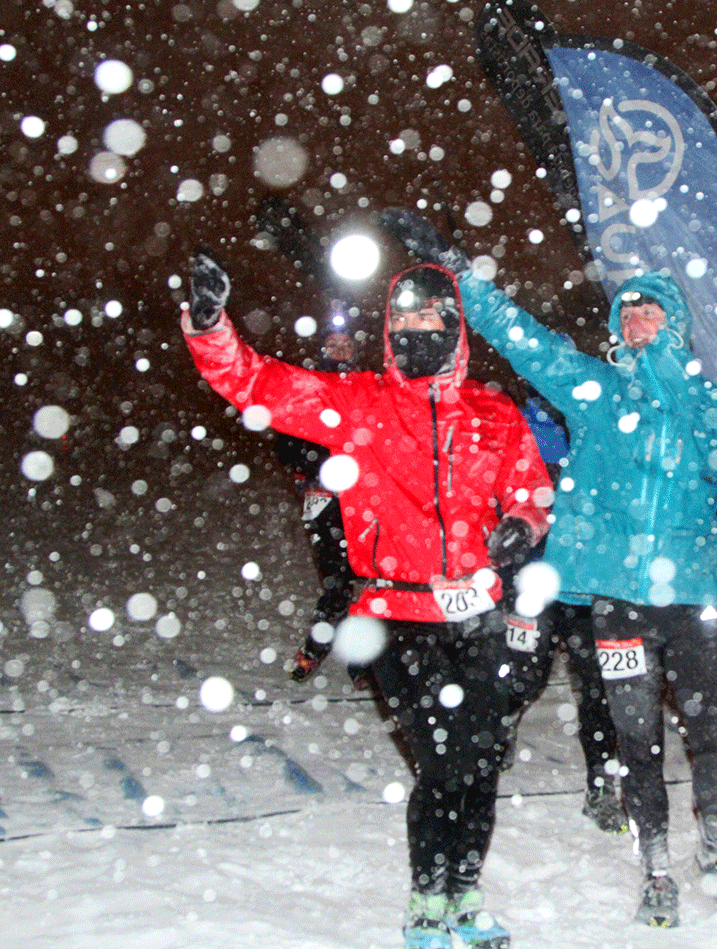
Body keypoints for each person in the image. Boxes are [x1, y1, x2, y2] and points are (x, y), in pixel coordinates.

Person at [382, 210, 717, 928]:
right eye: (627, 312)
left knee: (713, 739)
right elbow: (522, 338)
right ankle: (657, 867)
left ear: (675, 322)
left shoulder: (716, 410)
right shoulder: (597, 392)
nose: (637, 320)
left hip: (693, 599)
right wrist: (457, 270)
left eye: (650, 310)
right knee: (636, 741)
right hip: (617, 601)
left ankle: (715, 850)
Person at [180, 251, 554, 949]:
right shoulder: (361, 403)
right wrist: (210, 329)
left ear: (455, 327)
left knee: (479, 764)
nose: (417, 331)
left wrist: (521, 522)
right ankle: (426, 903)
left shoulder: (493, 411)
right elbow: (258, 384)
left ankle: (466, 895)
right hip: (398, 618)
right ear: (388, 329)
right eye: (404, 320)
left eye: (431, 318)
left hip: (478, 617)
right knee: (443, 764)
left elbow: (531, 489)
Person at [504, 384, 627, 835]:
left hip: (588, 581)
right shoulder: (518, 422)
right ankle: (504, 723)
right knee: (525, 673)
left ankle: (601, 785)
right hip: (533, 578)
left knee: (597, 687)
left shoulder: (602, 420)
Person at [271, 327, 361, 684]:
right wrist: (321, 462)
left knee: (372, 580)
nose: (340, 351)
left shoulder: (368, 387)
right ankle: (314, 650)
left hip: (364, 500)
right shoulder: (307, 388)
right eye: (332, 344)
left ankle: (362, 662)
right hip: (324, 499)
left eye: (347, 344)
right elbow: (286, 444)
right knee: (337, 581)